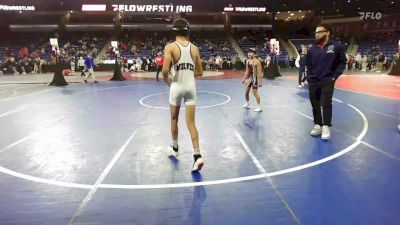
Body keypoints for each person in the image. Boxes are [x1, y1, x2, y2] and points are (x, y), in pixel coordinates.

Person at [162, 18, 204, 172]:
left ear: (174, 31)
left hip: (177, 86)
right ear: (187, 31)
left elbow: (165, 71)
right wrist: (188, 72)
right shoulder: (195, 48)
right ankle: (197, 156)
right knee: (191, 123)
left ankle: (175, 147)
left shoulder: (170, 47)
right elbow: (200, 72)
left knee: (174, 118)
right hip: (191, 87)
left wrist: (169, 82)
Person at [305, 23, 346, 140]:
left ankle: (326, 126)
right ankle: (317, 125)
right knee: (315, 104)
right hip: (313, 81)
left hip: (328, 80)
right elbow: (308, 63)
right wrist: (308, 76)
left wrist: (334, 76)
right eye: (316, 33)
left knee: (326, 104)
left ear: (327, 33)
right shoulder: (312, 48)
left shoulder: (337, 46)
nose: (317, 34)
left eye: (319, 32)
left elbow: (342, 62)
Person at [242, 48, 263, 112]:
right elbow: (247, 71)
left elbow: (259, 72)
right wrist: (244, 79)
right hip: (249, 79)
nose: (249, 53)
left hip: (255, 79)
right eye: (248, 52)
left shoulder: (257, 61)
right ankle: (248, 103)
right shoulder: (247, 61)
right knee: (246, 93)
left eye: (251, 52)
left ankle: (259, 107)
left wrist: (260, 82)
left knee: (255, 93)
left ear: (254, 54)